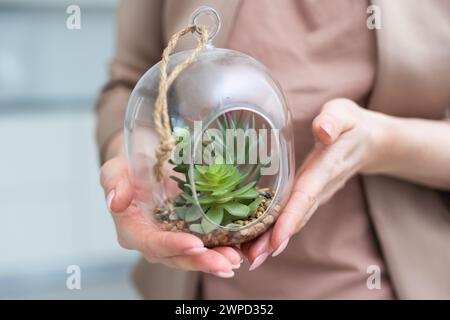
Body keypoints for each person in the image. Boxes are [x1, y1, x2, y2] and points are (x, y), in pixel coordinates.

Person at [96, 0, 450, 299]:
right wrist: (141, 171)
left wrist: (380, 142)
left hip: (381, 280)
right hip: (204, 289)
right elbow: (131, 81)